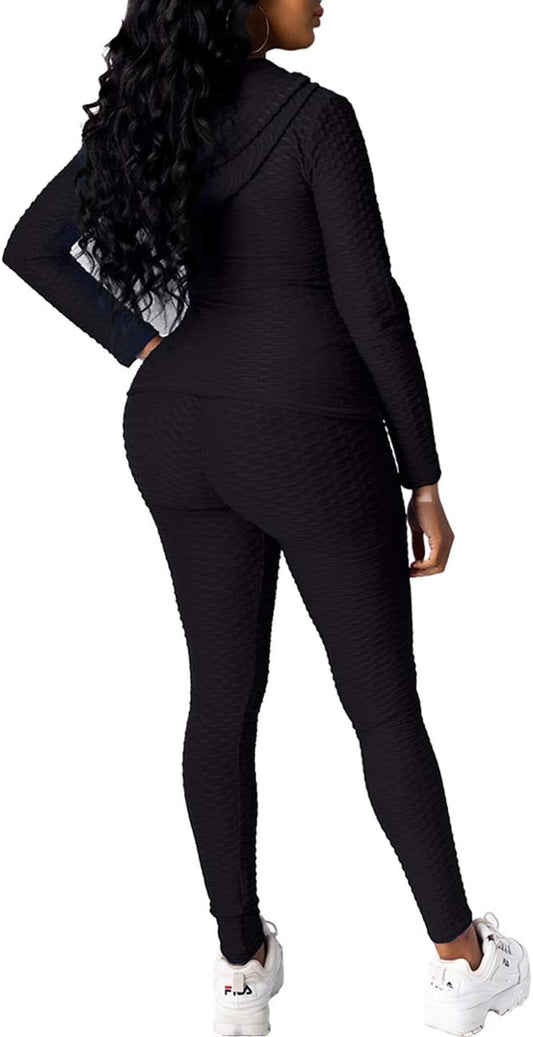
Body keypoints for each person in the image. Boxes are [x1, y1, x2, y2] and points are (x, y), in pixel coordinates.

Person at [2, 2, 530, 1035]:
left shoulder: (150, 113)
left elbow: (31, 245)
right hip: (307, 429)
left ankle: (239, 968)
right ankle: (462, 961)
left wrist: (139, 343)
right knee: (380, 705)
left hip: (173, 428)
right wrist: (421, 474)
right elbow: (371, 302)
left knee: (220, 695)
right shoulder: (315, 119)